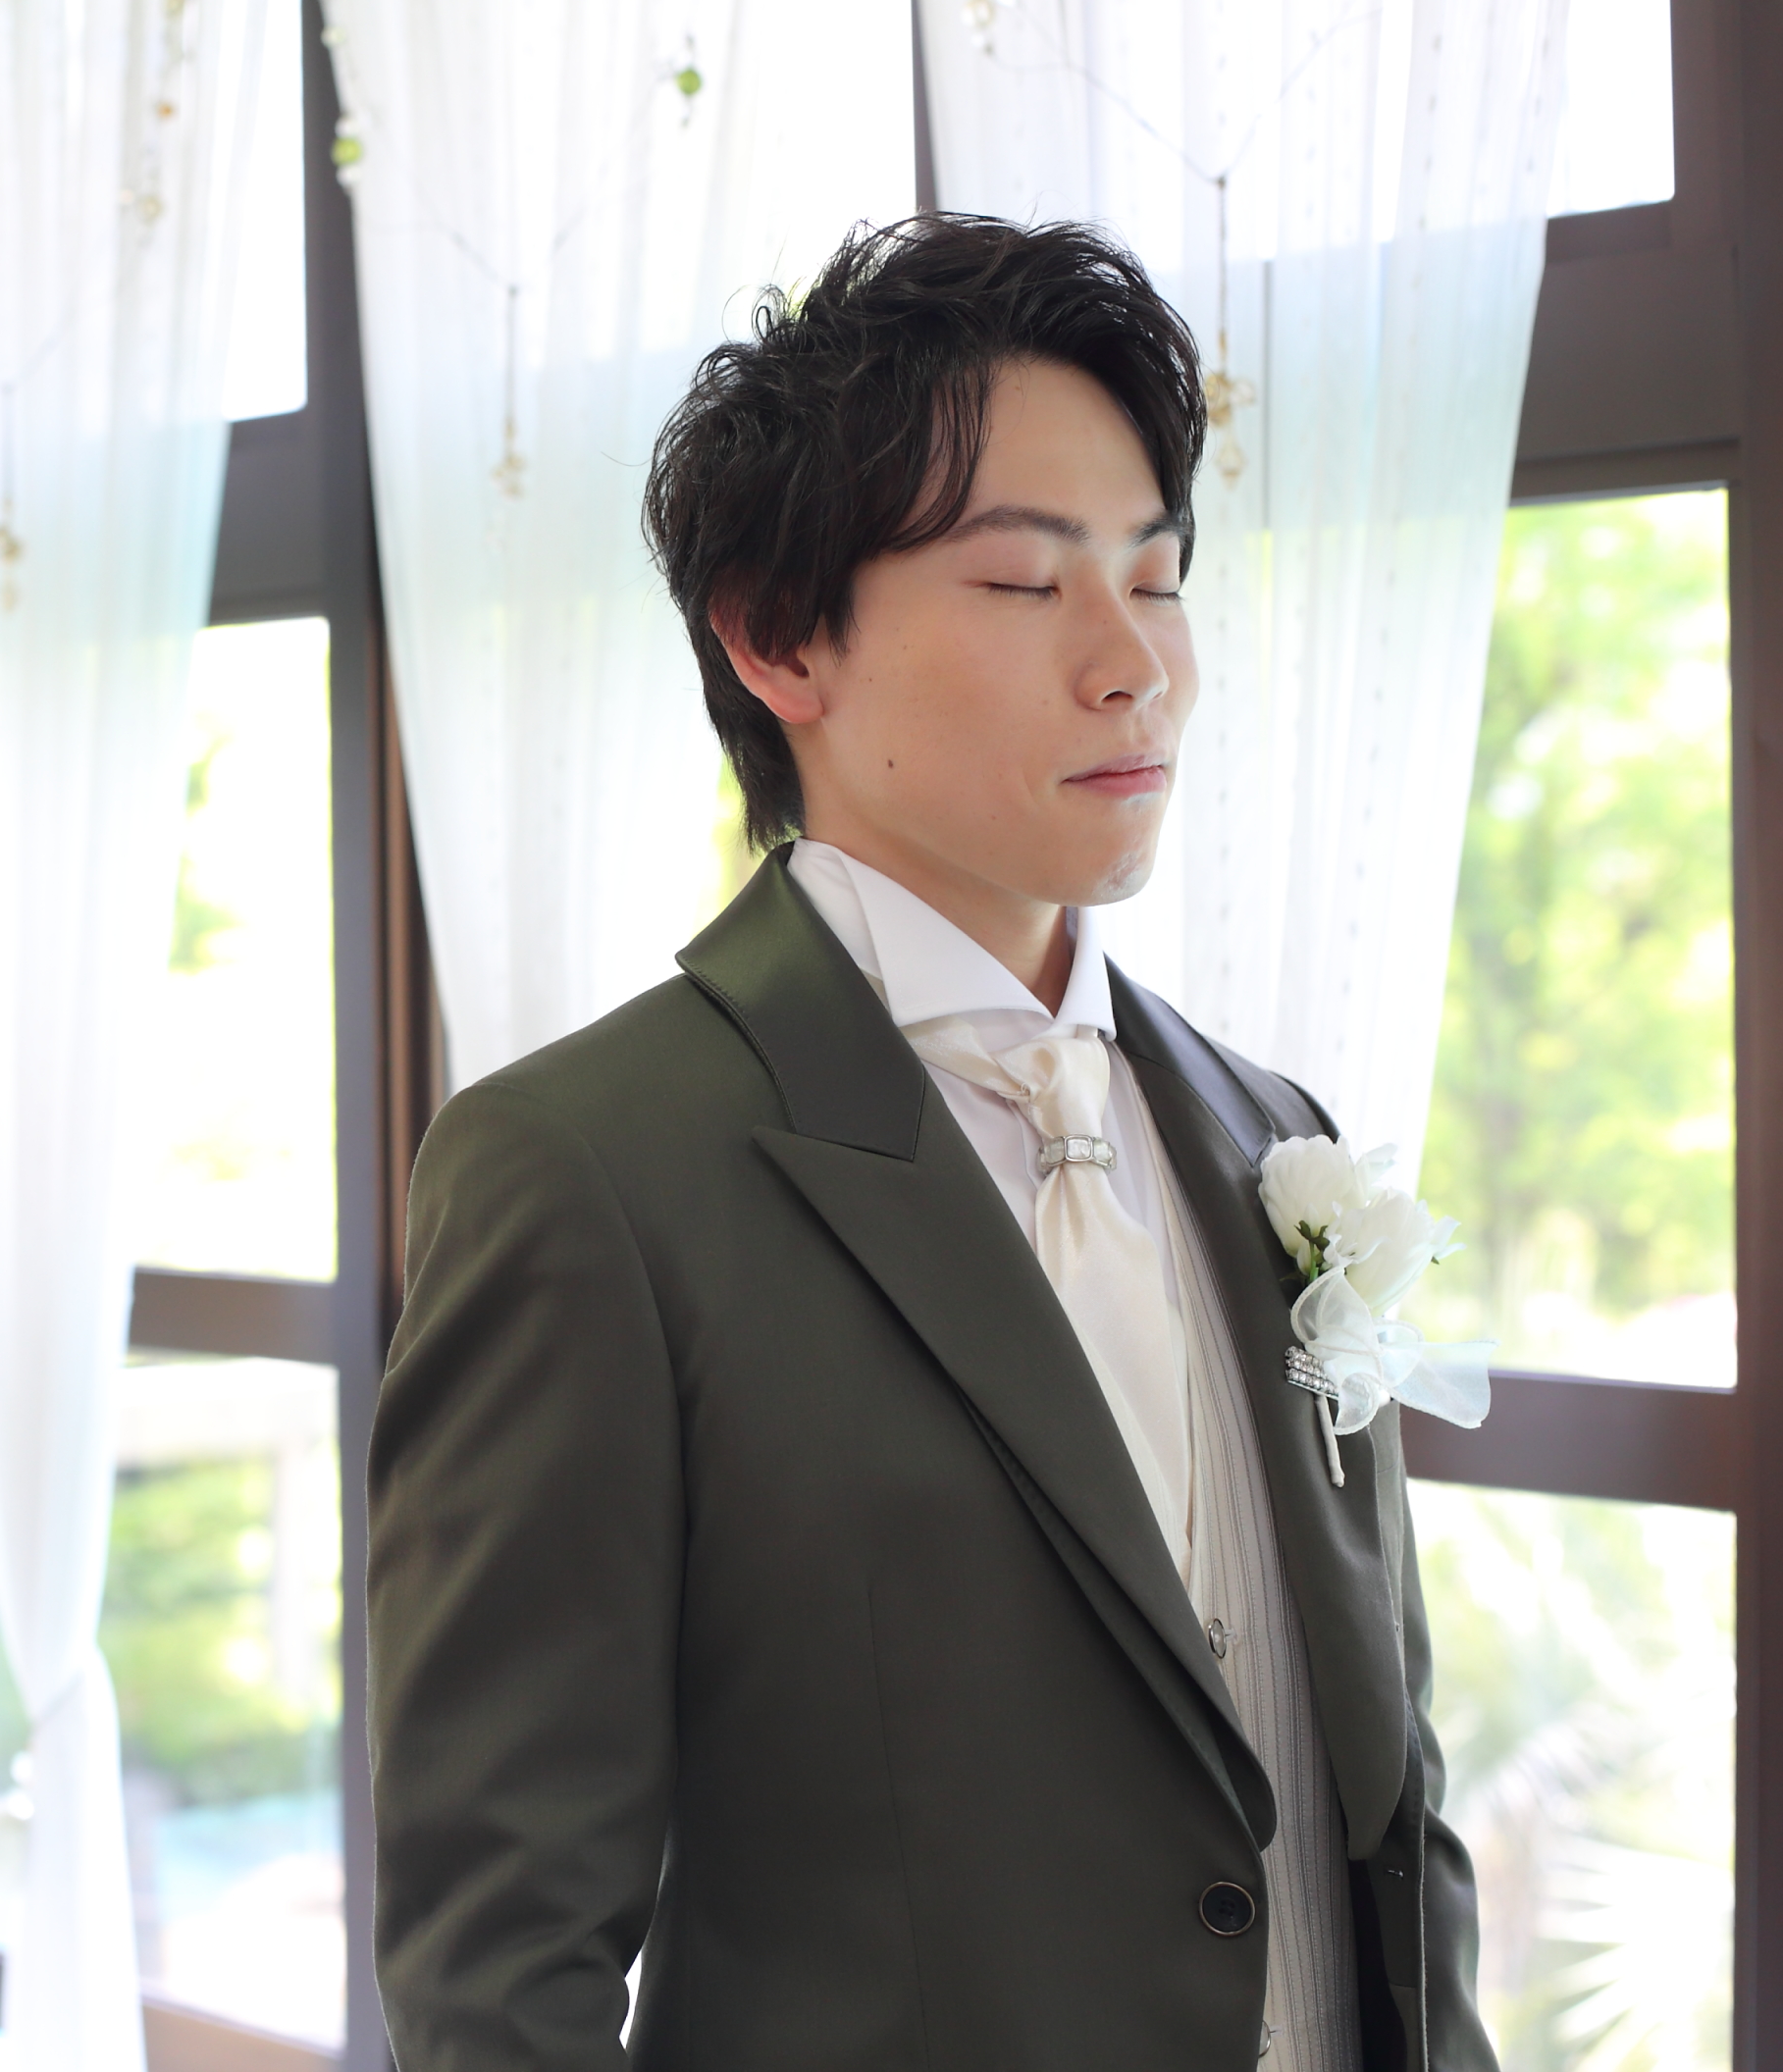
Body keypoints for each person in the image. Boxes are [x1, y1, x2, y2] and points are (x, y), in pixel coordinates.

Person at [367, 218, 1494, 2071]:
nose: (1135, 664)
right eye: (1027, 584)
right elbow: (501, 1964)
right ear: (775, 636)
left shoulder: (1275, 1137)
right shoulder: (585, 1175)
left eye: (1159, 576)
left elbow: (1393, 1805)